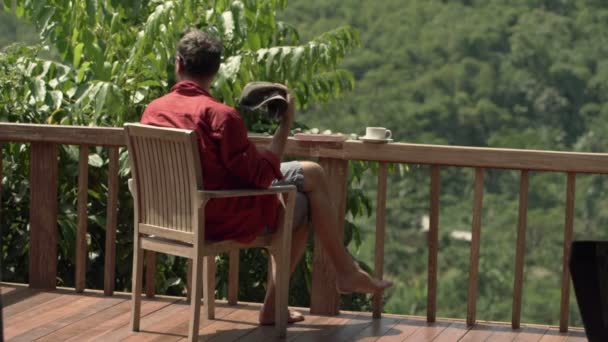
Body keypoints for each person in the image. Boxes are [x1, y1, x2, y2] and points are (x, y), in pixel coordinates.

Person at [141, 28, 392, 325]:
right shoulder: (219, 115)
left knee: (310, 172)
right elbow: (261, 178)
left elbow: (231, 168)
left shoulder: (153, 111)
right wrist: (285, 125)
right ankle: (308, 290)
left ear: (178, 64)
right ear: (217, 70)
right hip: (217, 215)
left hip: (167, 214)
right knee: (300, 204)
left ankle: (343, 273)